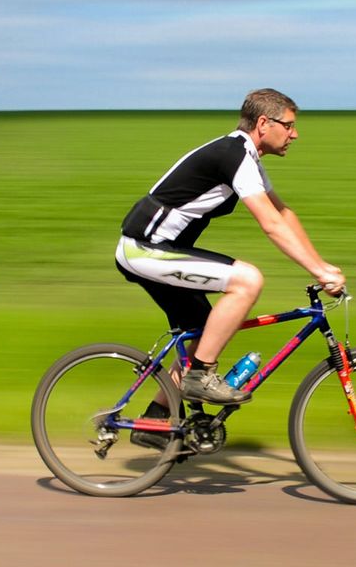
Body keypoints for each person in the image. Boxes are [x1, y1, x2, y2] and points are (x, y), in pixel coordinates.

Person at [115, 89, 344, 435]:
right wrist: (317, 272)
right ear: (264, 124)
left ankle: (154, 422)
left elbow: (284, 215)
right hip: (143, 250)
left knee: (206, 334)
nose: (295, 134)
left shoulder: (247, 158)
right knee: (247, 280)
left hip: (158, 251)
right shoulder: (234, 155)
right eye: (290, 125)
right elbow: (269, 224)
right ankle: (201, 375)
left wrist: (322, 265)